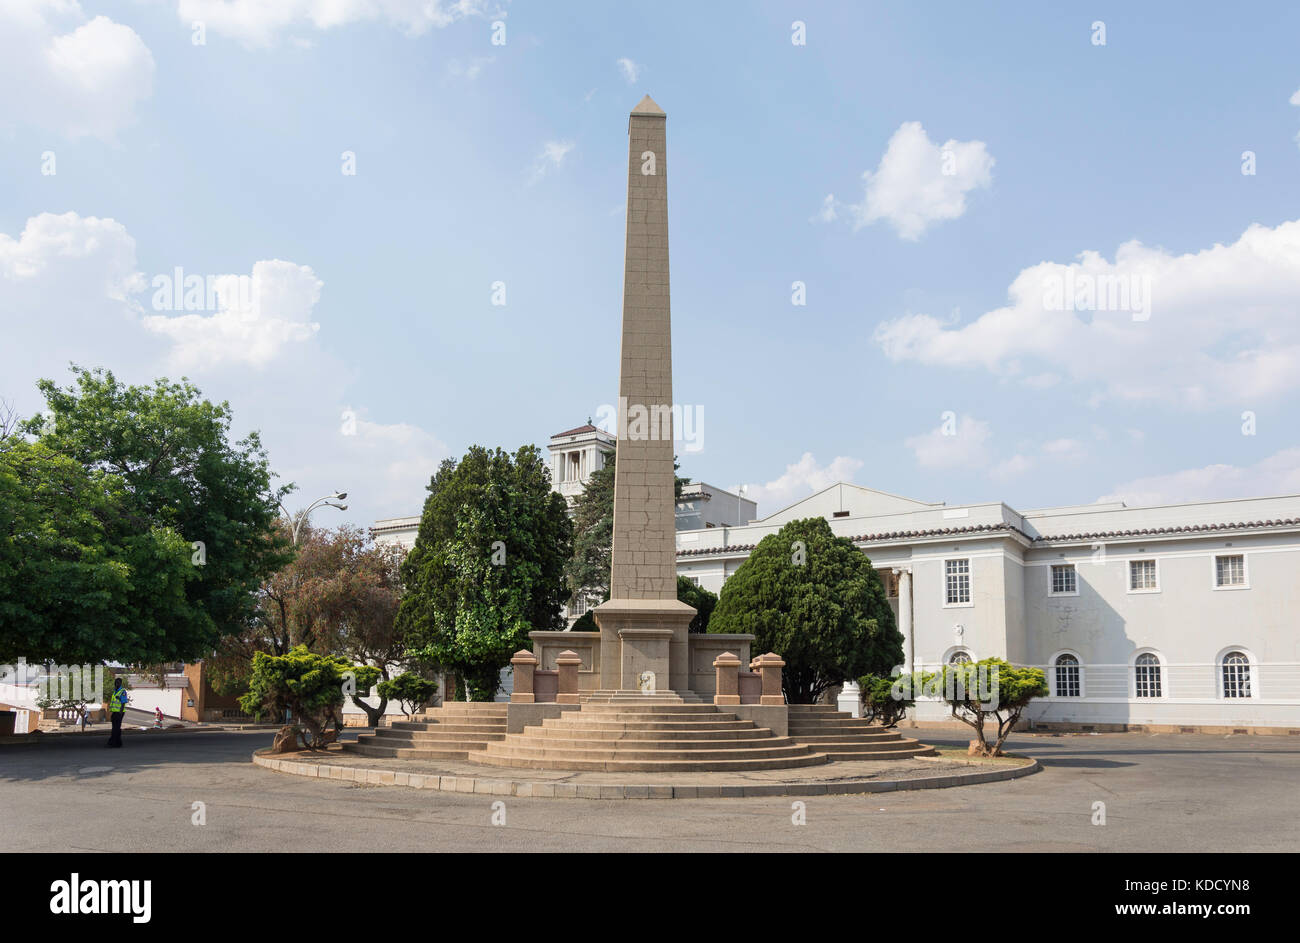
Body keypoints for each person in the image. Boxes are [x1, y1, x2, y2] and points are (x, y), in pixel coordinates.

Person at [106, 678, 129, 747]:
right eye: (116, 682)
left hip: (119, 712)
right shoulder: (115, 691)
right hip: (114, 712)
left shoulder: (122, 691)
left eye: (118, 682)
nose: (116, 684)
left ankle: (114, 742)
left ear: (120, 683)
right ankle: (117, 742)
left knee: (116, 728)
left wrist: (120, 712)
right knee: (115, 728)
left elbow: (123, 702)